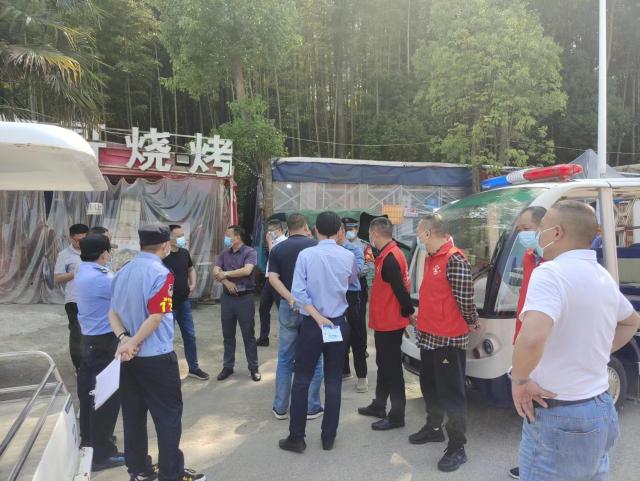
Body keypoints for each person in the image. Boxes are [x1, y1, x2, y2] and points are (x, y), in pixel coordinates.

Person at [512, 201, 640, 481]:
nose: (537, 235)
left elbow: (532, 337)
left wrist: (519, 381)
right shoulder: (602, 276)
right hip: (600, 407)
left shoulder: (549, 273)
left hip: (559, 415)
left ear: (557, 233)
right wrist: (597, 352)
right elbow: (631, 321)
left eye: (541, 229)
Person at [109, 223, 205, 481]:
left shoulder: (123, 270)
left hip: (129, 359)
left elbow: (112, 312)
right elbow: (156, 315)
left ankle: (139, 470)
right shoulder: (162, 274)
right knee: (168, 418)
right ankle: (171, 474)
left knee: (133, 416)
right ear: (165, 245)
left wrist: (124, 339)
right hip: (157, 359)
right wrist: (133, 341)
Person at [279, 211, 358, 453]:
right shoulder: (348, 256)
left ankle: (296, 437)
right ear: (339, 231)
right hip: (337, 324)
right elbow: (351, 283)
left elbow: (298, 294)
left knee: (302, 379)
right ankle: (328, 436)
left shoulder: (307, 255)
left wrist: (317, 317)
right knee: (333, 380)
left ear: (315, 230)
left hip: (313, 325)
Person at [410, 213, 479, 473]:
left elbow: (465, 298)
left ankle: (457, 446)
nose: (417, 237)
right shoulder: (432, 257)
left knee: (452, 394)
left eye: (419, 232)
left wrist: (472, 321)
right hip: (429, 336)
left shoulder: (454, 259)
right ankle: (434, 427)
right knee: (429, 385)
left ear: (428, 233)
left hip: (448, 339)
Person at [358, 217, 414, 430]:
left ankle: (397, 416)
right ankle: (379, 404)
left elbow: (401, 292)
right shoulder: (389, 254)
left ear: (375, 234)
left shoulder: (390, 258)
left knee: (392, 370)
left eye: (369, 234)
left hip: (390, 323)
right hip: (385, 322)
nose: (369, 238)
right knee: (384, 365)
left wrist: (408, 314)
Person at [75, 234, 124, 472]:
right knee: (106, 398)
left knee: (89, 395)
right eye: (108, 250)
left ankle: (89, 442)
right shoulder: (102, 279)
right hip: (103, 343)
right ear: (104, 253)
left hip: (89, 340)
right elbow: (125, 295)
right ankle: (102, 454)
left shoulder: (83, 270)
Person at [268, 213, 324, 420]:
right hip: (313, 308)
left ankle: (280, 407)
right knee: (315, 358)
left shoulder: (278, 249)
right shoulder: (316, 247)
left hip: (288, 306)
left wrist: (291, 298)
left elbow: (273, 278)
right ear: (305, 226)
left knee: (285, 358)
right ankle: (311, 407)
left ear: (287, 228)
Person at [508, 206, 547, 480]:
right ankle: (530, 461)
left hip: (541, 342)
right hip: (523, 334)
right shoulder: (530, 255)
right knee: (529, 407)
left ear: (544, 228)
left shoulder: (554, 264)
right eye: (519, 229)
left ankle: (538, 464)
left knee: (542, 405)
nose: (521, 234)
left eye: (525, 229)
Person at [213, 225, 261, 382]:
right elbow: (215, 271)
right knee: (228, 334)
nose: (226, 238)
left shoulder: (250, 252)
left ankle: (253, 367)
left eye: (228, 235)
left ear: (237, 237)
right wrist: (226, 282)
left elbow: (247, 270)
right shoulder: (224, 253)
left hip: (244, 298)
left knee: (248, 335)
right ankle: (228, 366)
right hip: (227, 299)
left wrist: (225, 273)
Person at [163, 224, 209, 381]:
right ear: (169, 238)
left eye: (182, 235)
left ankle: (194, 368)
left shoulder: (184, 253)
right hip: (166, 304)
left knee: (190, 336)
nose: (182, 238)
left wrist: (193, 283)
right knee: (166, 338)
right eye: (178, 236)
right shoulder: (162, 256)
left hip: (184, 302)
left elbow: (190, 269)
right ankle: (167, 373)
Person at [337, 219, 367, 392]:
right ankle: (344, 370)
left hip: (351, 295)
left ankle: (362, 376)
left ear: (341, 231)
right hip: (335, 295)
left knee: (357, 336)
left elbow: (359, 269)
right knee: (337, 335)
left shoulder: (354, 249)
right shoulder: (330, 249)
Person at [54, 223, 89, 370]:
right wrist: (75, 273)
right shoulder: (64, 255)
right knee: (77, 333)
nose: (80, 243)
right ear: (70, 238)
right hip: (74, 300)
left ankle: (91, 364)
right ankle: (78, 366)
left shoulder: (93, 252)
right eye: (77, 240)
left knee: (91, 333)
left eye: (84, 240)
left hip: (92, 299)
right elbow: (57, 278)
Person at [343, 217, 374, 357]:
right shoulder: (338, 244)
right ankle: (345, 346)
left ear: (357, 229)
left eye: (352, 229)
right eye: (347, 229)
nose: (350, 231)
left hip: (359, 284)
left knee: (359, 317)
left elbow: (370, 265)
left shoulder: (364, 245)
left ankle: (361, 347)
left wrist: (354, 271)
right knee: (343, 316)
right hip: (342, 285)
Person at [257, 219, 287, 346]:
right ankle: (264, 337)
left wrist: (269, 243)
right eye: (268, 231)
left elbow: (275, 257)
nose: (268, 233)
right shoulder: (273, 242)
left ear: (279, 230)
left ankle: (286, 338)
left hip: (279, 281)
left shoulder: (285, 242)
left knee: (282, 310)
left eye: (271, 231)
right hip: (269, 279)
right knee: (263, 308)